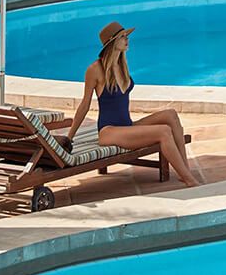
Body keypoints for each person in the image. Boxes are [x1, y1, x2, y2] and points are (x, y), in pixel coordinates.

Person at [66, 21, 200, 188]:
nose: (127, 40)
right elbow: (84, 105)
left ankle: (184, 170)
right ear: (112, 42)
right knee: (163, 131)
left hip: (126, 126)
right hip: (109, 131)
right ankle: (190, 181)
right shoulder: (95, 70)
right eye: (123, 37)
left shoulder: (122, 65)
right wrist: (69, 138)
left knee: (170, 115)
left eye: (127, 36)